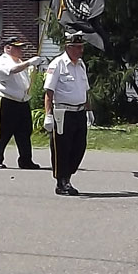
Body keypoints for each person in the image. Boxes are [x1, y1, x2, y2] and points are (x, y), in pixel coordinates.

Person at [43, 32, 94, 196]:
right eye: (78, 47)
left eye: (82, 47)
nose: (81, 51)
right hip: (62, 112)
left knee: (79, 147)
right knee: (62, 149)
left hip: (79, 112)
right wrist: (48, 115)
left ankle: (68, 176)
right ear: (68, 47)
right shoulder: (58, 64)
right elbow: (49, 92)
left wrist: (89, 110)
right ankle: (61, 182)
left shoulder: (80, 65)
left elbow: (85, 90)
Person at [0, 37, 43, 169]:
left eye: (21, 47)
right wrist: (29, 63)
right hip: (8, 102)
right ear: (7, 48)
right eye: (17, 47)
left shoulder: (18, 61)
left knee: (25, 132)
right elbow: (13, 70)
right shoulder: (3, 61)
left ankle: (25, 160)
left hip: (22, 102)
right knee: (4, 132)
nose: (20, 50)